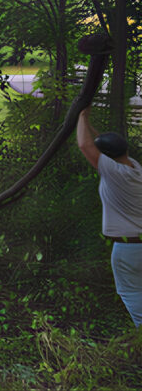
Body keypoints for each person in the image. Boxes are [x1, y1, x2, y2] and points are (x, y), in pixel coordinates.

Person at [77, 107, 142, 326]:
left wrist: (81, 116)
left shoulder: (114, 173)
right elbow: (98, 143)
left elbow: (85, 145)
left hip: (128, 250)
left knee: (132, 295)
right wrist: (90, 126)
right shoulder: (135, 167)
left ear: (104, 156)